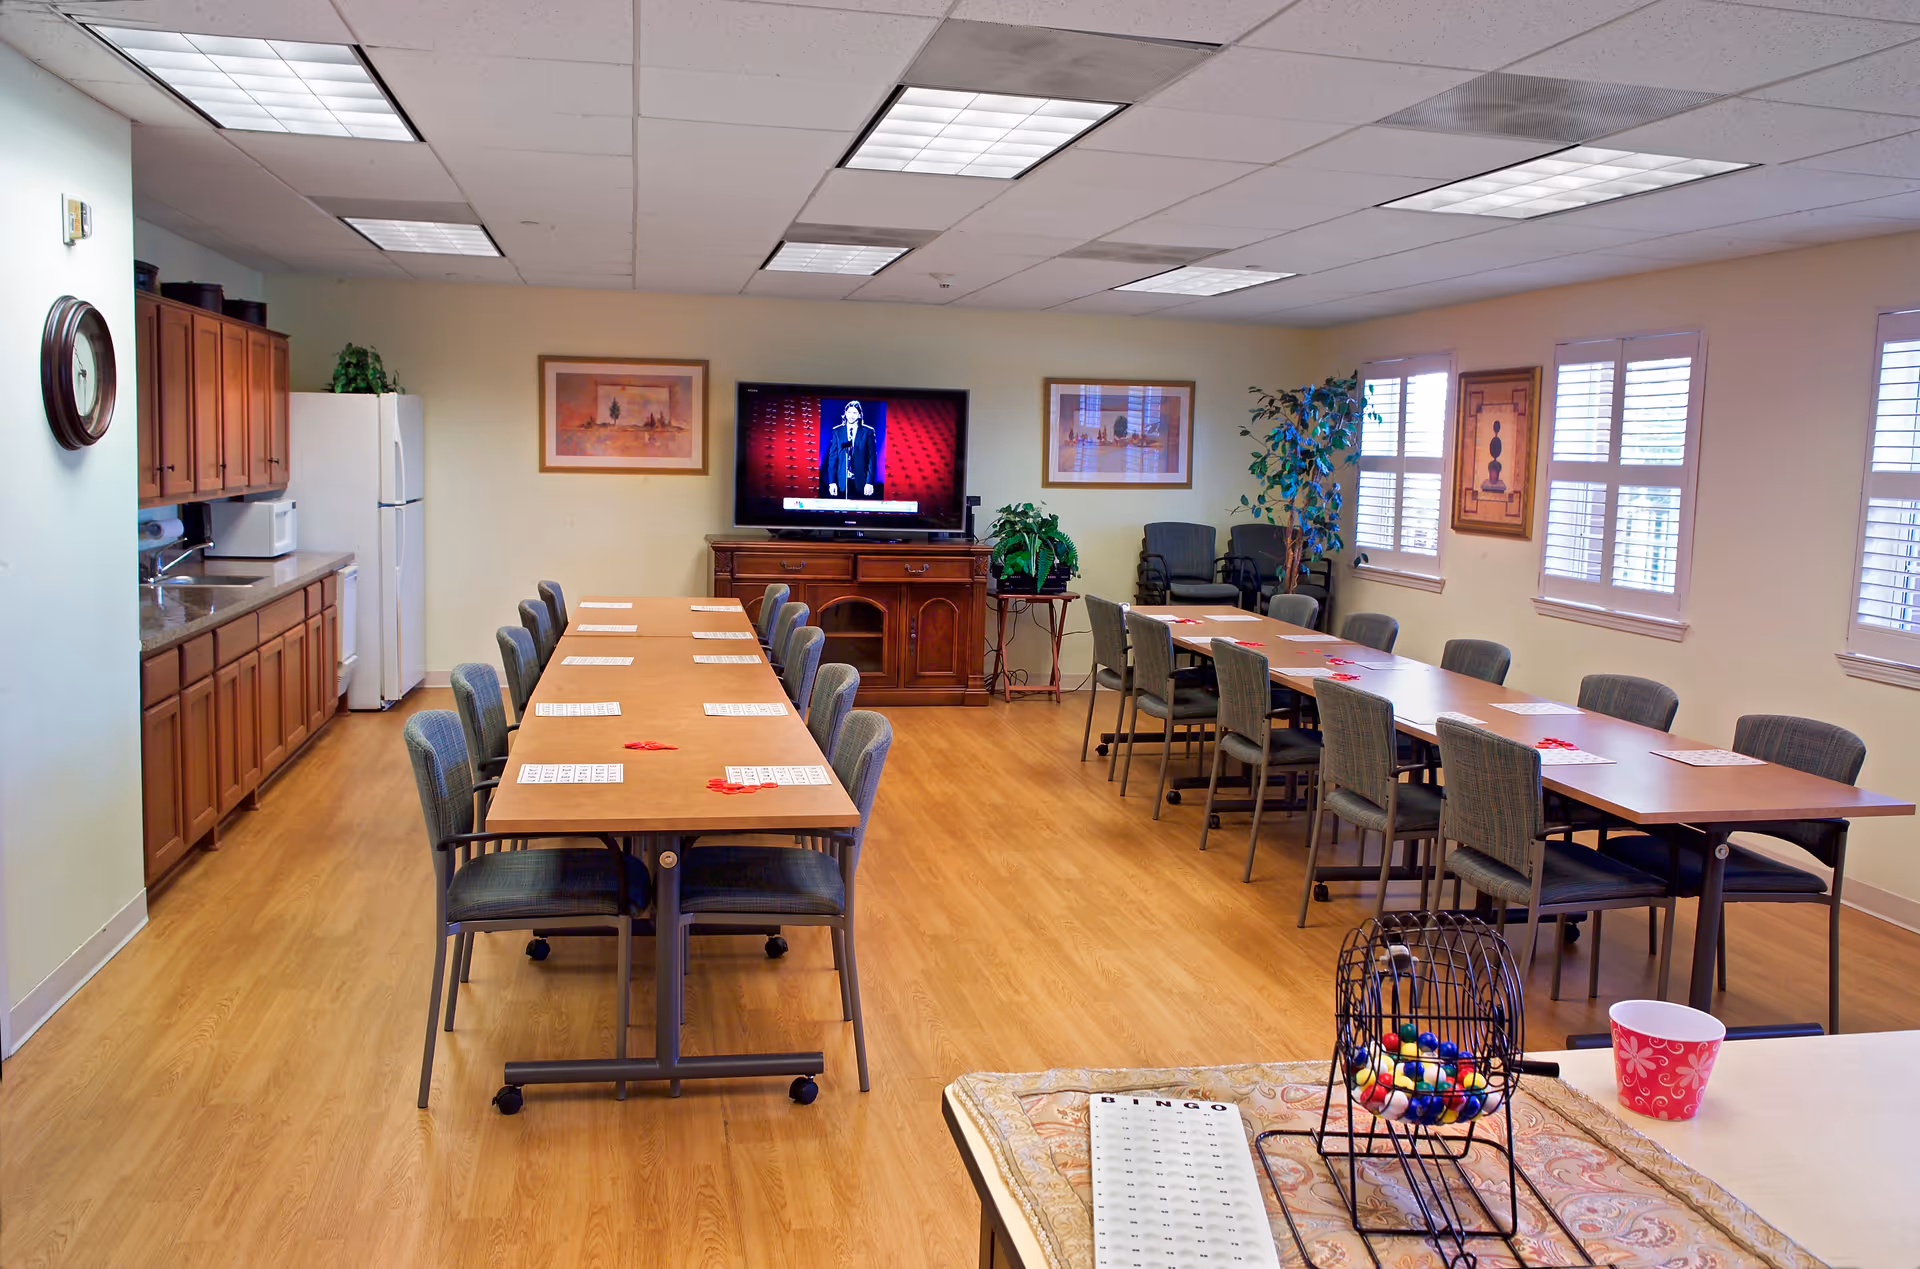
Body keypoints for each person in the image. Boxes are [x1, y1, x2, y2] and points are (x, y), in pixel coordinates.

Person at [820, 400, 879, 498]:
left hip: (861, 482)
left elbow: (872, 459)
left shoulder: (868, 432)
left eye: (855, 412)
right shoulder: (837, 432)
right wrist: (832, 482)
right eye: (849, 412)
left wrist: (869, 482)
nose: (851, 415)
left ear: (859, 415)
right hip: (841, 482)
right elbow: (832, 458)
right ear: (845, 413)